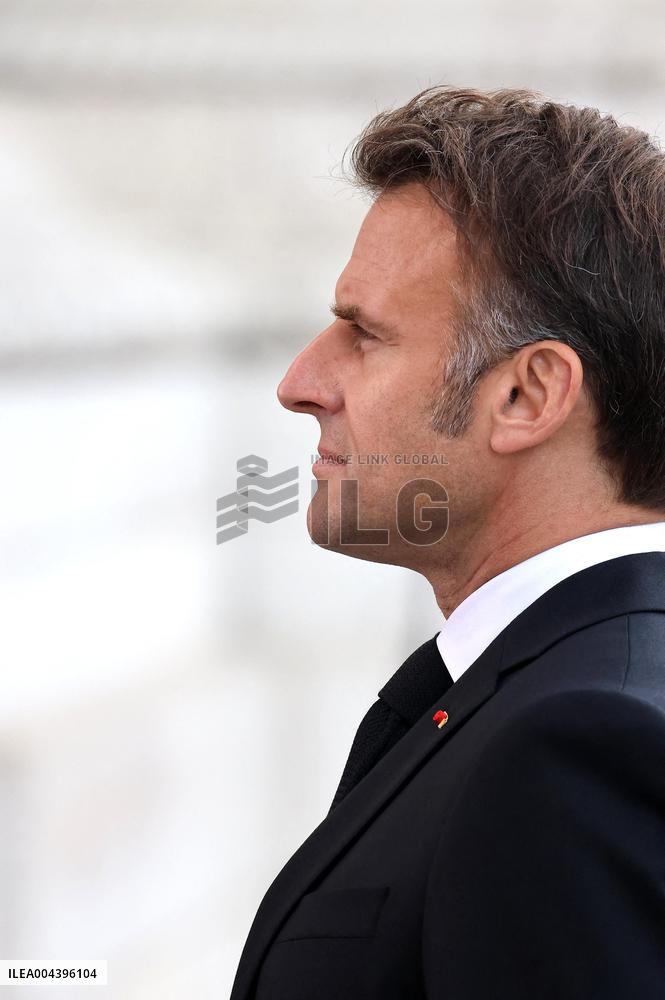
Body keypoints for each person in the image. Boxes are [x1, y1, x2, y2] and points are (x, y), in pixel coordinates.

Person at [229, 86, 665, 1000]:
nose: (300, 382)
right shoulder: (562, 690)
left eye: (364, 333)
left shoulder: (575, 749)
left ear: (527, 395)